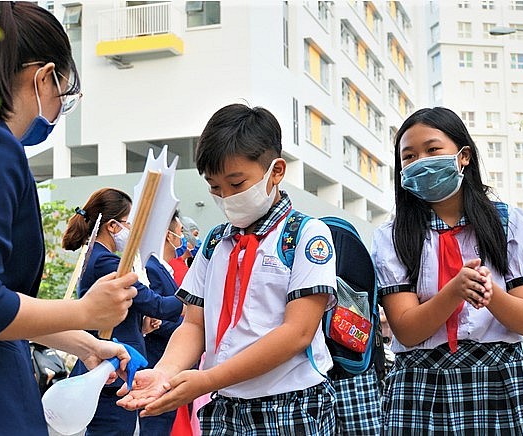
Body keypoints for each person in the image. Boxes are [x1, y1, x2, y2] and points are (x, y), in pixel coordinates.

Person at [0, 3, 137, 435]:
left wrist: (78, 339)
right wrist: (82, 310)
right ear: (43, 77)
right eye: (65, 93)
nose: (60, 107)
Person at [117, 103, 338, 434]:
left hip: (291, 404)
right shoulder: (214, 243)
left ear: (276, 171)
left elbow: (298, 333)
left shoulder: (305, 235)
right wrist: (164, 372)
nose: (226, 197)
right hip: (225, 405)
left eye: (236, 184)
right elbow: (194, 324)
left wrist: (207, 379)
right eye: (215, 187)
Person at [372, 107, 523, 434]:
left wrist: (489, 292)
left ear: (463, 155)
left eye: (432, 149)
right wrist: (454, 291)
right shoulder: (392, 237)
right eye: (409, 156)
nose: (421, 160)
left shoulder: (512, 225)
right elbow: (407, 332)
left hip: (501, 379)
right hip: (421, 382)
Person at [62, 187, 184, 436]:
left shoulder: (92, 256)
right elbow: (156, 304)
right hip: (113, 364)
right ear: (113, 226)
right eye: (129, 224)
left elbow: (113, 312)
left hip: (109, 361)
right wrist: (193, 298)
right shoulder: (107, 261)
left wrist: (141, 324)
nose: (132, 231)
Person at [139, 211, 187, 435]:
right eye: (180, 232)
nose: (183, 238)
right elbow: (155, 318)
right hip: (158, 358)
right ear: (168, 235)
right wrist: (189, 330)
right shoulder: (151, 268)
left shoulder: (164, 268)